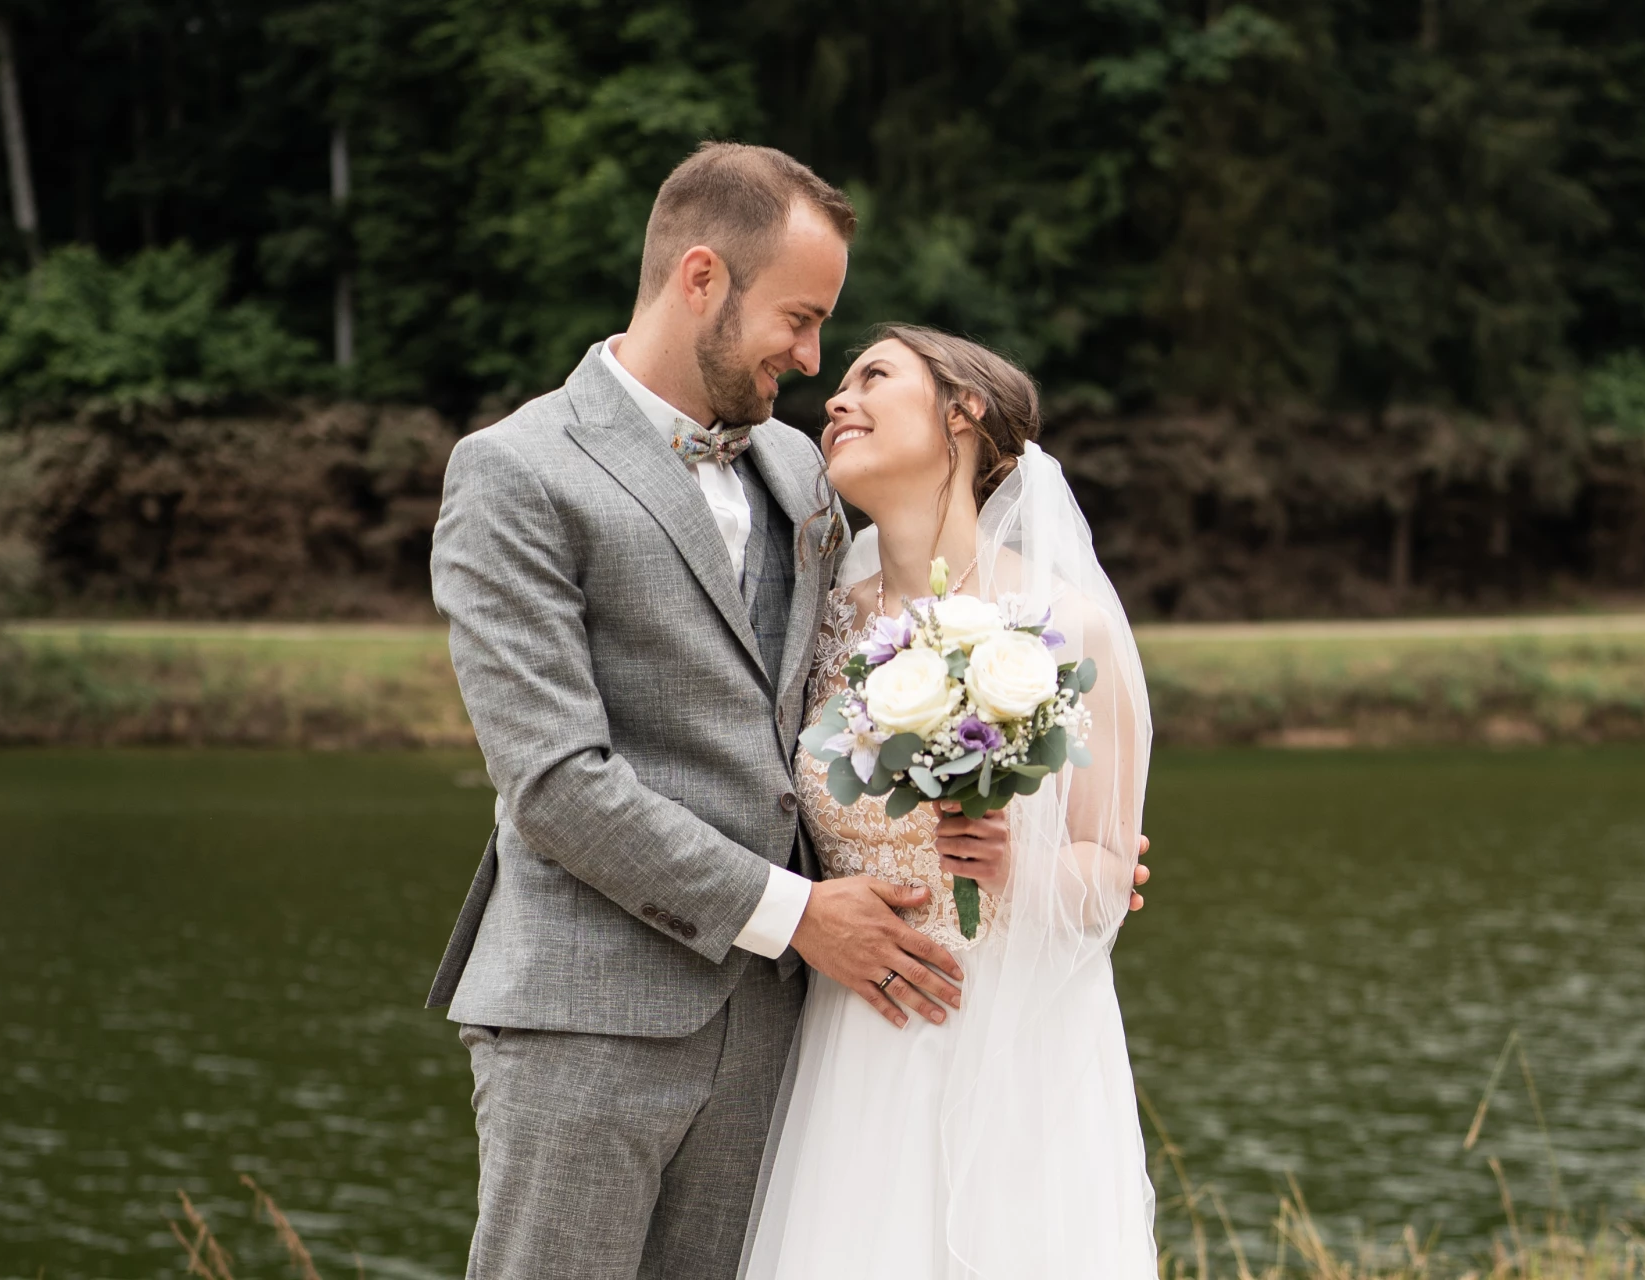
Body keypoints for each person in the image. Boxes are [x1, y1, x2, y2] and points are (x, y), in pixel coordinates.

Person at [427, 142, 1148, 1280]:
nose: (815, 364)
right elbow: (558, 779)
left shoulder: (803, 475)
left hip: (794, 1037)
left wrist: (1058, 859)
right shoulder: (516, 471)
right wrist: (800, 912)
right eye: (804, 320)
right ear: (702, 278)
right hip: (593, 1013)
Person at [738, 326, 1157, 1279]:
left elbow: (1105, 871)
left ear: (962, 413)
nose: (836, 399)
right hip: (854, 1036)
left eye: (872, 377)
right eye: (835, 386)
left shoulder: (1069, 624)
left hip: (1013, 1037)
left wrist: (1020, 861)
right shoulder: (817, 624)